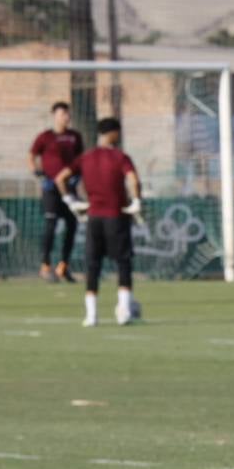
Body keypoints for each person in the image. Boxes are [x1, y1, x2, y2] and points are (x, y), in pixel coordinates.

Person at [55, 117, 141, 328]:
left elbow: (60, 178)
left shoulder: (86, 157)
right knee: (123, 262)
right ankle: (124, 310)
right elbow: (133, 179)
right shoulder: (120, 157)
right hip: (116, 216)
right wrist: (136, 201)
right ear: (113, 133)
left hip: (94, 218)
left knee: (93, 265)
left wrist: (70, 201)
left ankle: (91, 315)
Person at [29, 101, 84, 282]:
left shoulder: (75, 136)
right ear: (54, 116)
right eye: (62, 114)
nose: (66, 117)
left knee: (72, 226)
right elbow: (32, 155)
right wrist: (36, 171)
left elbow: (80, 159)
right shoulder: (45, 136)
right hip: (51, 189)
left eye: (68, 114)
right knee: (50, 225)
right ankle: (45, 265)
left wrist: (78, 176)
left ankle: (63, 266)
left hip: (69, 188)